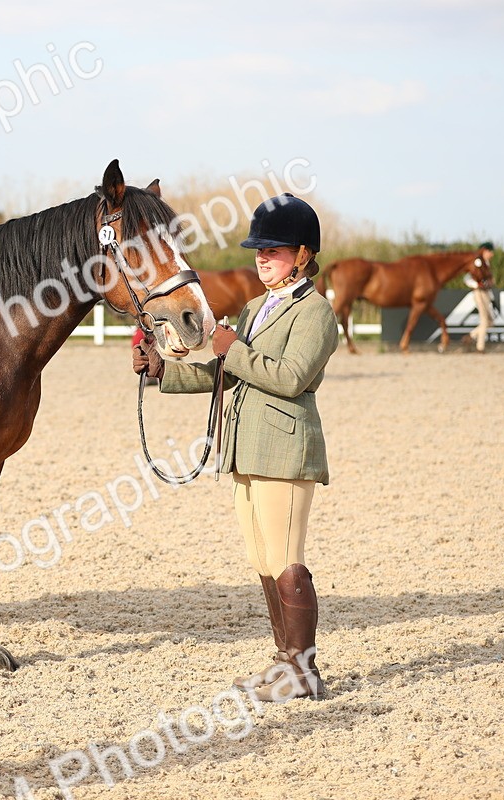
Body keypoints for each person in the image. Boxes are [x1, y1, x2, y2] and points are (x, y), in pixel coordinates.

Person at [133, 194, 338, 703]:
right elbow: (222, 372)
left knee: (287, 558)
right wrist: (162, 370)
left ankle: (305, 673)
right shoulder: (254, 308)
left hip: (286, 448)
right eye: (260, 250)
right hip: (245, 447)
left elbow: (290, 378)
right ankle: (285, 661)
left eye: (274, 250)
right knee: (263, 558)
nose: (263, 258)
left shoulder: (315, 312)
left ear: (303, 254)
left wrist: (233, 348)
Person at [464, 241, 495, 353]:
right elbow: (467, 278)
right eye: (490, 251)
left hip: (485, 292)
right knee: (484, 319)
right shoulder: (478, 263)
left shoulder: (486, 263)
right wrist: (477, 285)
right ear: (485, 251)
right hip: (479, 292)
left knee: (490, 321)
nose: (492, 254)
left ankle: (471, 336)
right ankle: (480, 347)